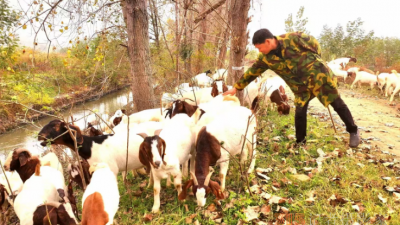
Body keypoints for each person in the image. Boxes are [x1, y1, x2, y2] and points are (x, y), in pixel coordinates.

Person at [223, 29, 360, 147]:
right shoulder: (265, 58)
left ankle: (353, 130)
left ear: (268, 42)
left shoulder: (293, 38)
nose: (259, 51)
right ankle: (300, 142)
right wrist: (236, 88)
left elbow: (314, 45)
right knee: (300, 112)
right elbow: (253, 72)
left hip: (318, 77)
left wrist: (313, 62)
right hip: (300, 87)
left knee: (337, 103)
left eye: (259, 47)